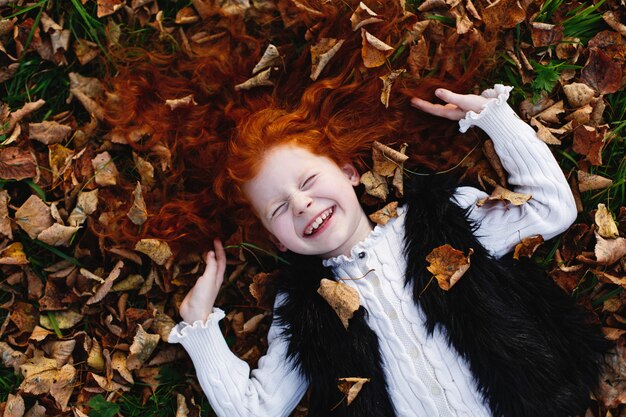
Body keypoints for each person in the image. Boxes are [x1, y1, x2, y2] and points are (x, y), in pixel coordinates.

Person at [168, 85, 609, 417]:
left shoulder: (441, 218)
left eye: (307, 182)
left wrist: (493, 118)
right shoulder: (303, 310)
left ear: (349, 172)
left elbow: (552, 211)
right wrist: (200, 328)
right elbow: (256, 410)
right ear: (279, 240)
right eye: (279, 208)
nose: (301, 204)